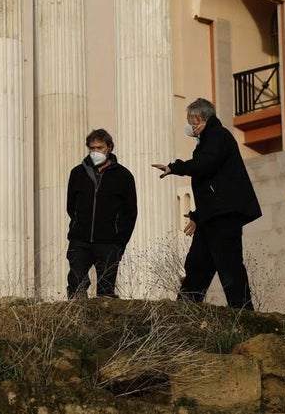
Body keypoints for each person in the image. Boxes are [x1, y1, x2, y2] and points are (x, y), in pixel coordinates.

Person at [153, 97, 261, 310]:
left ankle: (243, 312)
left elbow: (205, 166)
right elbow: (211, 185)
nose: (189, 126)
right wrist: (197, 215)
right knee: (198, 264)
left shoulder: (217, 136)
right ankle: (185, 310)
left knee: (229, 264)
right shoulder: (211, 138)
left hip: (224, 214)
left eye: (190, 121)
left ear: (199, 118)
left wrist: (175, 167)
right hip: (211, 215)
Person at [66, 128, 137, 298]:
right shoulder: (77, 173)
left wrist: (120, 242)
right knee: (76, 286)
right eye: (92, 148)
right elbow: (71, 206)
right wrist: (77, 226)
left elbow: (130, 212)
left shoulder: (124, 176)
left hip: (109, 242)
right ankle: (75, 320)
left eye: (100, 148)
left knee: (106, 292)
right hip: (80, 241)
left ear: (110, 148)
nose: (95, 152)